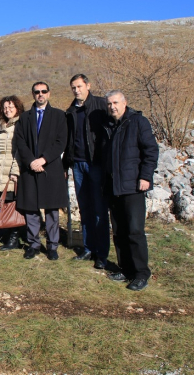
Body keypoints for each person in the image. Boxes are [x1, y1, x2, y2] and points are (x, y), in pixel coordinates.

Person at [102, 90, 158, 291]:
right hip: (114, 186)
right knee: (119, 231)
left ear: (125, 103)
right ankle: (125, 268)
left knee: (134, 231)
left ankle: (141, 273)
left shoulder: (137, 122)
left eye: (115, 103)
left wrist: (145, 177)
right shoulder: (109, 125)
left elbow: (150, 151)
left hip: (133, 185)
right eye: (109, 104)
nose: (112, 107)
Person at [15, 82, 68, 261]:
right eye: (37, 92)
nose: (40, 94)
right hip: (29, 169)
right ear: (33, 94)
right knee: (30, 208)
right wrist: (31, 161)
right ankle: (34, 244)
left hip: (50, 168)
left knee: (52, 209)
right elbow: (20, 142)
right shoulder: (25, 117)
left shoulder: (59, 116)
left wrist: (43, 159)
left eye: (43, 91)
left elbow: (61, 142)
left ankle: (52, 246)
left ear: (49, 94)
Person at [63, 74, 109, 269]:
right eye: (73, 87)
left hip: (96, 164)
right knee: (85, 208)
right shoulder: (71, 110)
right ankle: (88, 247)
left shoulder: (100, 105)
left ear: (88, 85)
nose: (76, 90)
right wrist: (66, 164)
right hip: (78, 165)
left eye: (79, 86)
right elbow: (69, 140)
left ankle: (101, 253)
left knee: (99, 209)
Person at [0, 95, 24, 251]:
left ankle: (14, 238)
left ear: (17, 108)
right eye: (5, 108)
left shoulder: (20, 124)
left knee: (11, 203)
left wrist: (15, 171)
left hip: (11, 168)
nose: (8, 110)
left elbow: (19, 150)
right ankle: (6, 233)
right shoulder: (1, 125)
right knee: (1, 202)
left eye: (11, 107)